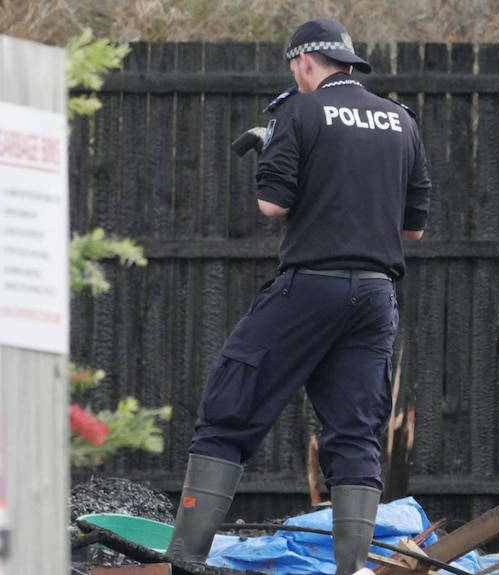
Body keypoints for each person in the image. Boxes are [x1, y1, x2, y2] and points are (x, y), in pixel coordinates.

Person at [166, 17, 431, 575]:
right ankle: (351, 569)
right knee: (356, 432)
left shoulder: (301, 112)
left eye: (294, 67)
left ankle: (184, 560)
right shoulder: (402, 121)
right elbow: (414, 231)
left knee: (230, 404)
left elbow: (272, 206)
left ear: (306, 62)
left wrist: (273, 147)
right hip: (376, 300)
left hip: (311, 288)